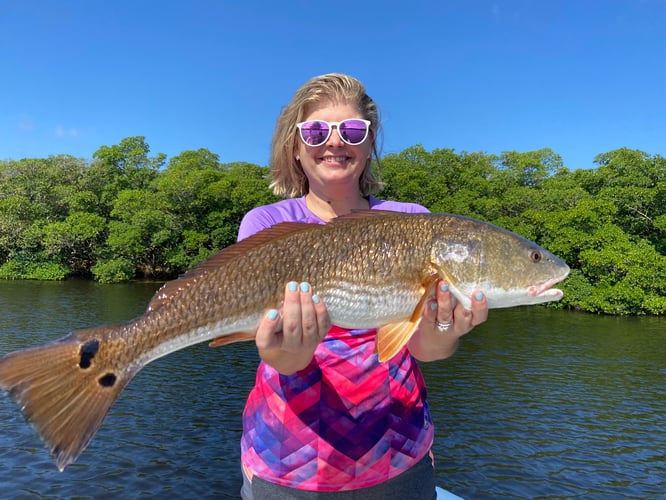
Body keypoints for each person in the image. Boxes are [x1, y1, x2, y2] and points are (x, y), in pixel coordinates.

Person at [238, 73, 488, 499]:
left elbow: (427, 350)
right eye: (315, 130)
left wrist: (446, 329)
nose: (334, 142)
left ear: (369, 143)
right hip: (289, 465)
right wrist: (291, 350)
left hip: (399, 460)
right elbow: (280, 358)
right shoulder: (266, 224)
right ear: (295, 147)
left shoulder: (413, 220)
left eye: (352, 130)